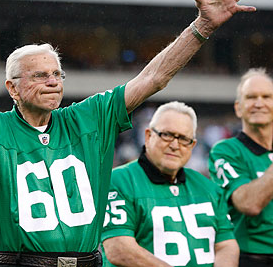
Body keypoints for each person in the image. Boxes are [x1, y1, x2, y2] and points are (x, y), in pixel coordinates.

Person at [0, 0, 255, 267]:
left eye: (57, 74)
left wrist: (202, 27)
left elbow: (154, 78)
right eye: (39, 75)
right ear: (13, 88)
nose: (52, 81)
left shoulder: (90, 117)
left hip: (87, 261)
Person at [102, 101, 239, 267]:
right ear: (148, 136)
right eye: (167, 135)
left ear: (192, 145)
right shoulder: (119, 181)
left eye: (183, 139)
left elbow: (227, 245)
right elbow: (118, 248)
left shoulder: (209, 188)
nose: (174, 145)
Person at [208, 68, 273, 267]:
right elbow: (249, 203)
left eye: (267, 97)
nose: (259, 103)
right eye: (251, 97)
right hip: (251, 258)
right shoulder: (226, 151)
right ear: (238, 107)